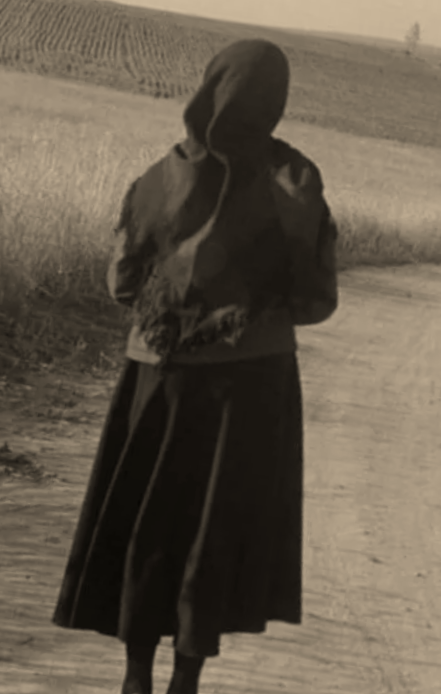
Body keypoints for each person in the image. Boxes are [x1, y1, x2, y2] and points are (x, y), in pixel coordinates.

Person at [51, 39, 339, 694]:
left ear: (208, 88)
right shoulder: (293, 182)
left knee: (147, 518)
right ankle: (186, 680)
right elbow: (316, 303)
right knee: (213, 527)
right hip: (250, 388)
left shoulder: (162, 176)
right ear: (275, 101)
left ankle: (135, 678)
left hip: (155, 379)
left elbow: (123, 285)